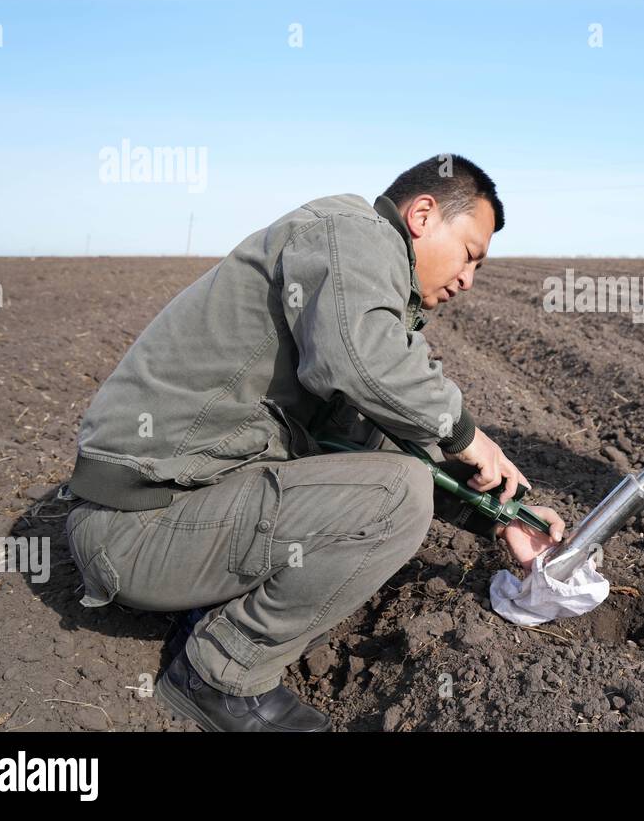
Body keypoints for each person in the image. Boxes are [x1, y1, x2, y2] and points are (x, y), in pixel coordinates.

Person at [63, 154, 564, 731]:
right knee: (396, 496)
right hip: (135, 531)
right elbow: (362, 361)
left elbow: (370, 433)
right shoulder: (349, 232)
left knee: (390, 477)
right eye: (470, 254)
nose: (468, 279)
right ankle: (220, 674)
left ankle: (213, 613)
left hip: (180, 513)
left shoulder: (361, 283)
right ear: (423, 214)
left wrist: (502, 515)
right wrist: (463, 433)